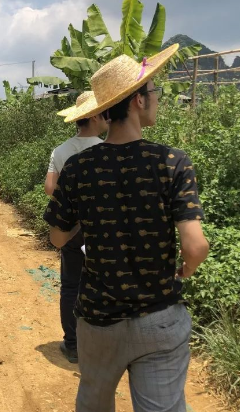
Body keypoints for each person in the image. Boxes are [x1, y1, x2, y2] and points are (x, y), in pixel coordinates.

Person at [43, 44, 210, 412]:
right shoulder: (172, 161)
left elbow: (57, 237)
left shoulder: (79, 168)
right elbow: (195, 246)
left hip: (99, 320)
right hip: (159, 318)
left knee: (94, 403)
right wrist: (187, 268)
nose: (157, 98)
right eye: (154, 91)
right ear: (138, 100)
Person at [44, 91, 107, 363]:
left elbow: (50, 188)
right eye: (103, 113)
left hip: (71, 226)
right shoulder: (108, 148)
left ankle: (72, 344)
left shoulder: (61, 150)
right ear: (94, 116)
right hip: (104, 227)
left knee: (71, 285)